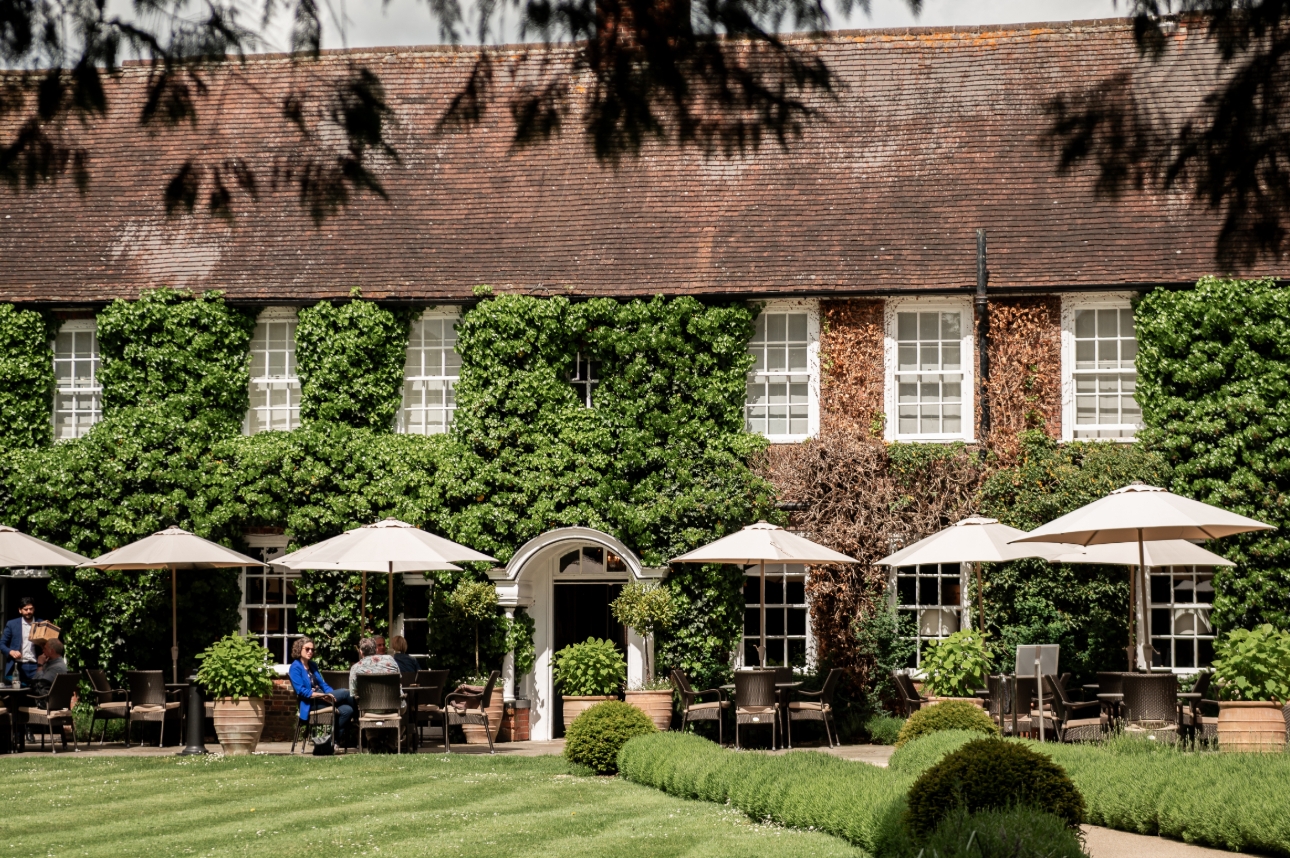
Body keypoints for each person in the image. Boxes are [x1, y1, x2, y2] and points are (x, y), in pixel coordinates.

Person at [288, 637, 354, 749]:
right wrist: (322, 695)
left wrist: (329, 694)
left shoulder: (312, 665)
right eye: (307, 649)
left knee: (348, 710)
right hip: (310, 702)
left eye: (312, 650)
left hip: (321, 697)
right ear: (299, 649)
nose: (310, 652)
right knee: (345, 693)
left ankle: (333, 742)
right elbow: (301, 691)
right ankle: (358, 719)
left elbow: (323, 685)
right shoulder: (295, 667)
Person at [1, 597, 42, 685]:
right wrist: (11, 651)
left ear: (34, 609)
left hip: (36, 666)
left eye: (31, 609)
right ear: (20, 610)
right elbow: (2, 644)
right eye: (25, 609)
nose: (28, 611)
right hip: (18, 666)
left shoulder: (41, 623)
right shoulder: (12, 624)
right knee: (17, 695)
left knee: (37, 694)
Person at [29, 638, 68, 703]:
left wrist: (40, 665)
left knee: (14, 700)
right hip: (48, 700)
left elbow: (38, 686)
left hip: (45, 702)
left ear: (52, 651)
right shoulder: (52, 664)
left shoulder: (56, 668)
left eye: (45, 648)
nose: (43, 650)